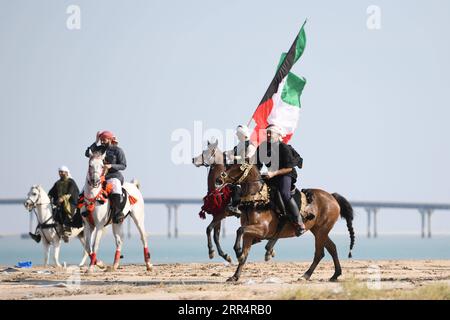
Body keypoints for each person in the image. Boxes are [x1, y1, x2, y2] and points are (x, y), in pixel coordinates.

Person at [254, 124, 306, 236]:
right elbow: (256, 165)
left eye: (270, 133)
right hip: (270, 175)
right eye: (266, 132)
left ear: (278, 135)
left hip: (286, 174)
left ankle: (299, 222)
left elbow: (289, 168)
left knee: (284, 193)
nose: (268, 135)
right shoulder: (262, 147)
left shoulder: (284, 147)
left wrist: (273, 173)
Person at [85, 131, 127, 224]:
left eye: (104, 140)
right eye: (101, 140)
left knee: (116, 186)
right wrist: (95, 142)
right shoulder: (98, 149)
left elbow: (123, 165)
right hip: (99, 177)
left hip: (114, 176)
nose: (102, 142)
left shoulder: (118, 150)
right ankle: (79, 217)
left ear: (110, 139)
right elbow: (87, 153)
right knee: (84, 190)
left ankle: (117, 213)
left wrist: (111, 165)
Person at [225, 125, 256, 215]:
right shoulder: (239, 145)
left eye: (238, 133)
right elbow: (232, 152)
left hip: (247, 170)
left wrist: (234, 157)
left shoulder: (250, 145)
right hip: (236, 168)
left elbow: (248, 158)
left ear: (243, 134)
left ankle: (236, 204)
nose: (236, 134)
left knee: (236, 183)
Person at [48, 166, 80, 242]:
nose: (60, 173)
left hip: (69, 203)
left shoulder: (71, 181)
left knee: (65, 210)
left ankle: (67, 231)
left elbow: (70, 192)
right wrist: (48, 197)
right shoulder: (57, 183)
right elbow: (51, 192)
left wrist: (63, 198)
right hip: (59, 202)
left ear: (66, 172)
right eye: (60, 172)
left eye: (62, 172)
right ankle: (40, 232)